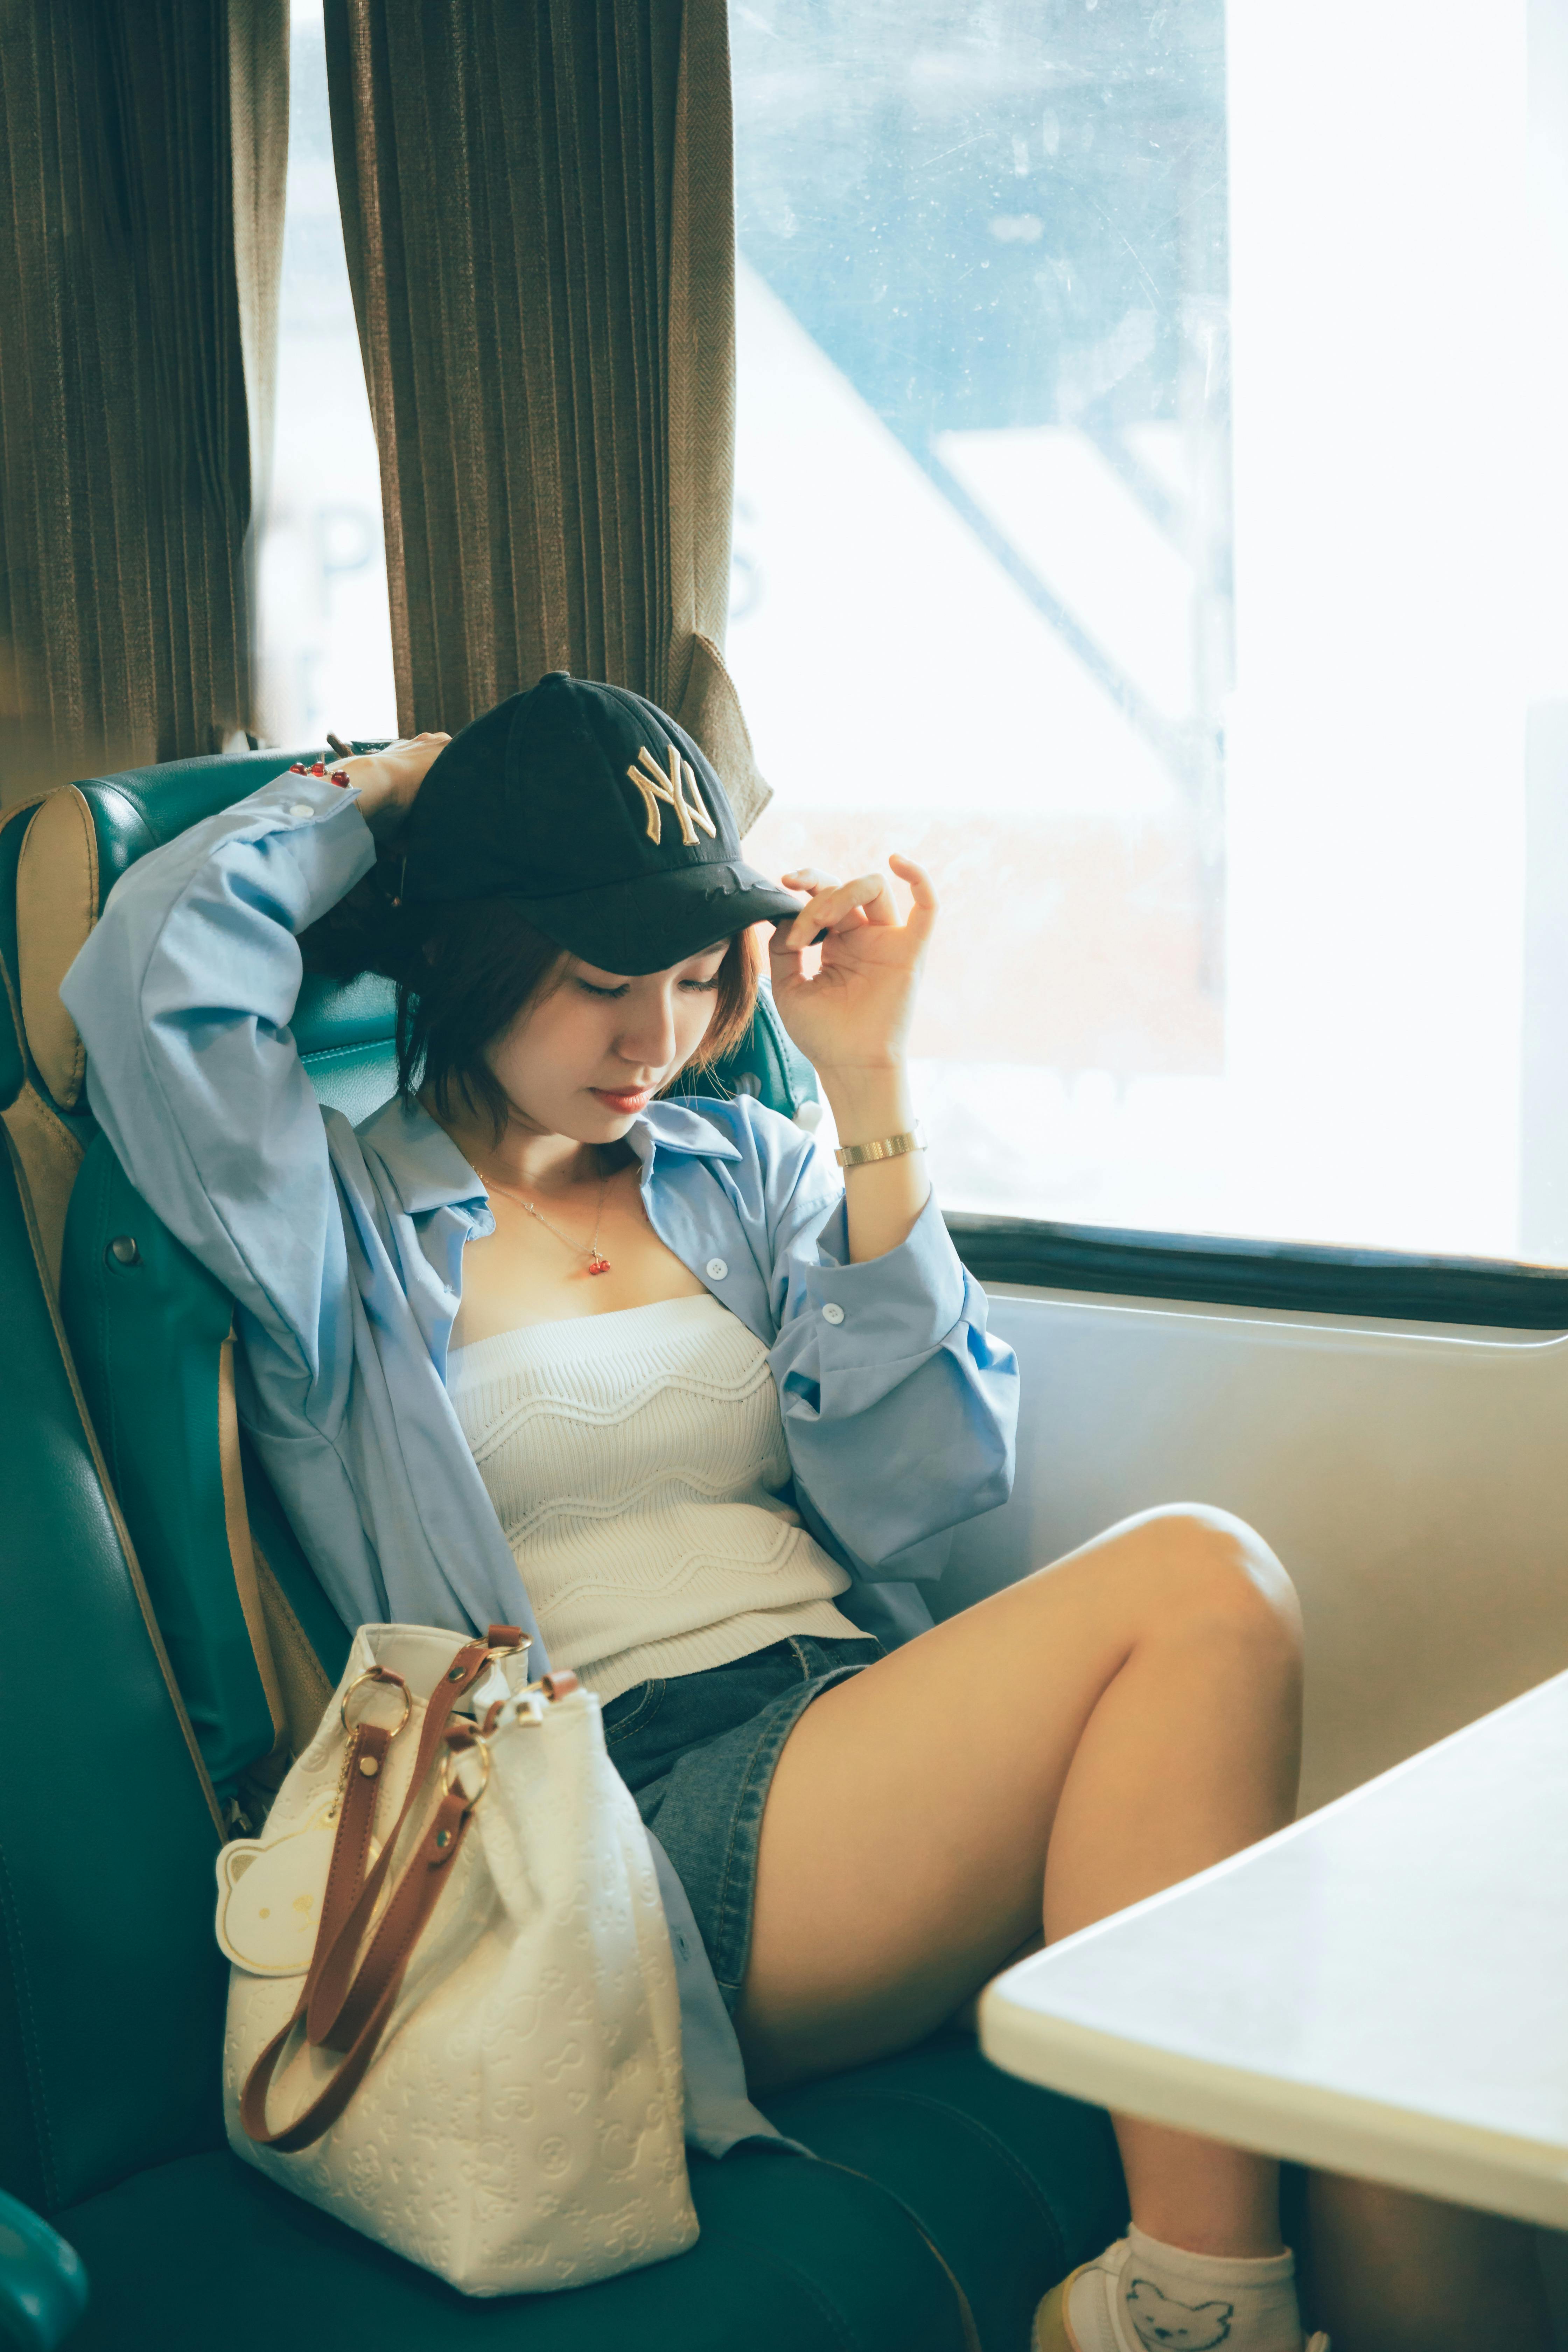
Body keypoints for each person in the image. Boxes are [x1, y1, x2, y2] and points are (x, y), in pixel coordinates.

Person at [63, 676, 1552, 2352]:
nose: (656, 1039)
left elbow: (921, 1483)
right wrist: (369, 798)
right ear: (468, 962)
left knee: (1378, 2018)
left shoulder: (741, 1165)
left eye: (699, 979)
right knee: (1202, 1580)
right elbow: (151, 981)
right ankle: (1188, 2312)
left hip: (846, 1729)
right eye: (599, 986)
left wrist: (866, 1088)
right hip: (616, 1826)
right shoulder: (332, 1227)